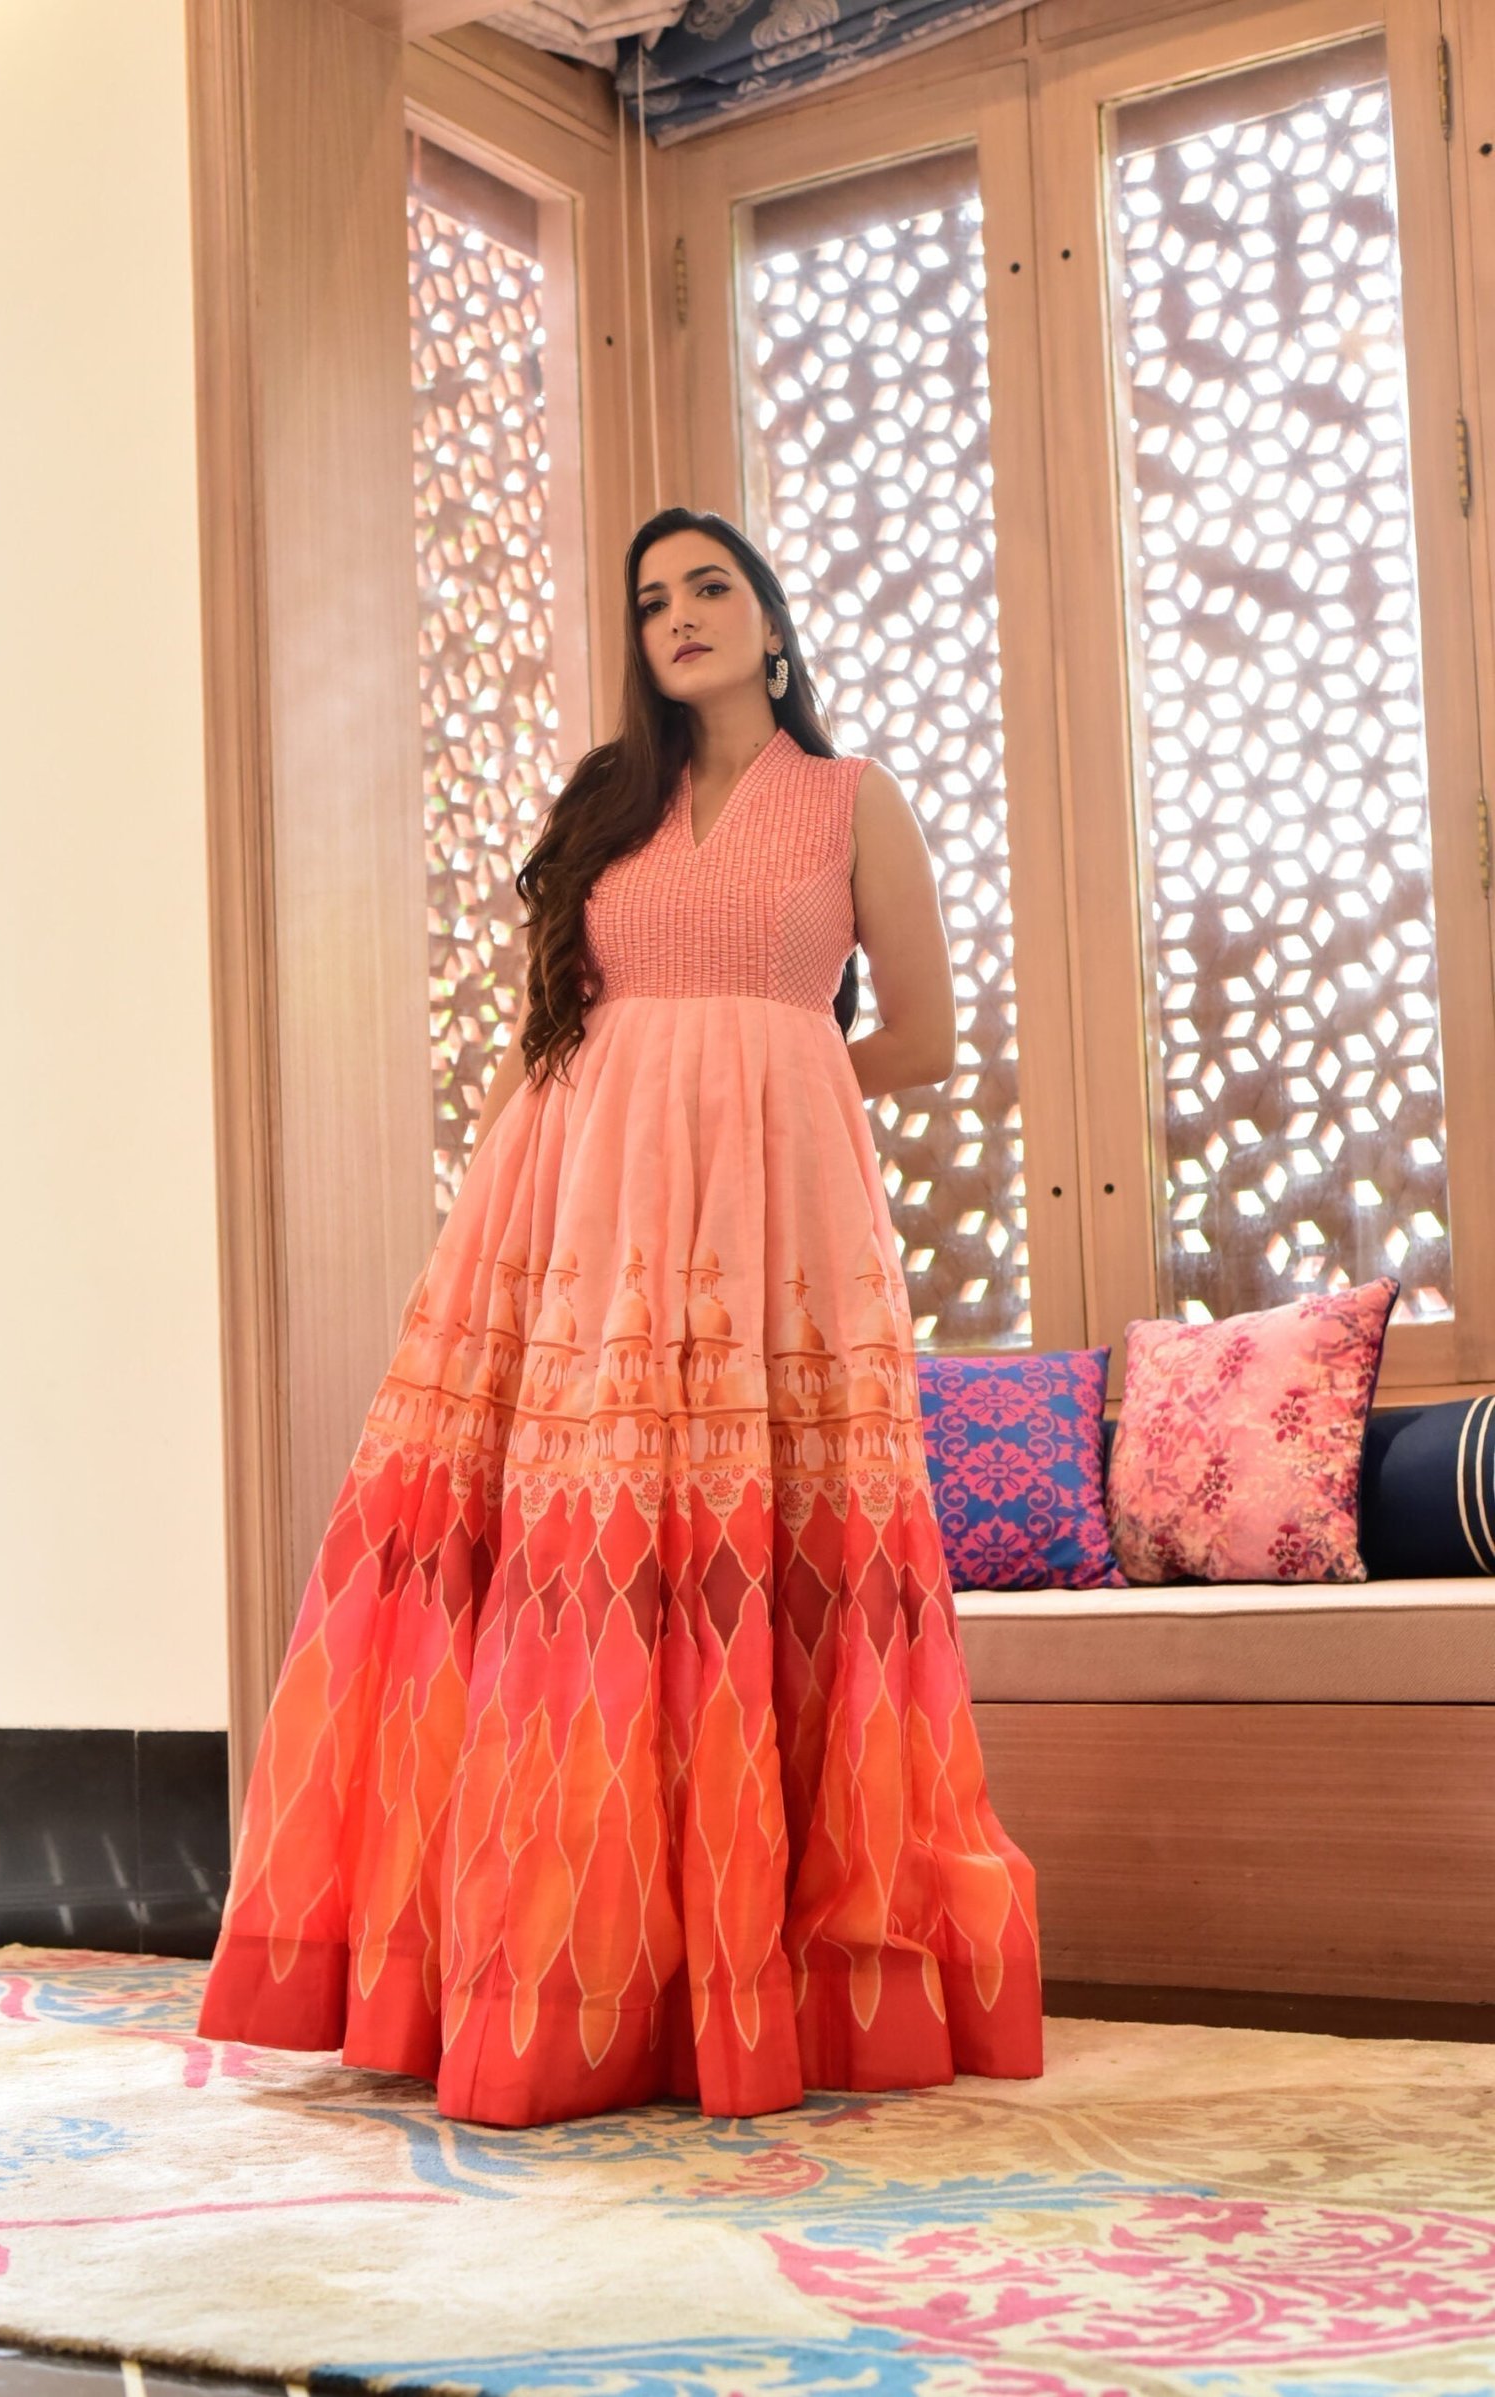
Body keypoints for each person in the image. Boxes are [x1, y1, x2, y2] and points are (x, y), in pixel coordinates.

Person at [195, 505, 1044, 2125]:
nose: (680, 615)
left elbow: (925, 1034)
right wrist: (537, 1186)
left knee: (763, 1554)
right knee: (568, 1557)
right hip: (575, 1216)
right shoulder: (609, 801)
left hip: (770, 1235)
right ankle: (542, 1969)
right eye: (653, 600)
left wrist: (766, 1104)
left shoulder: (851, 801)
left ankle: (766, 1980)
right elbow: (556, 1030)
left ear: (770, 622)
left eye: (711, 586)